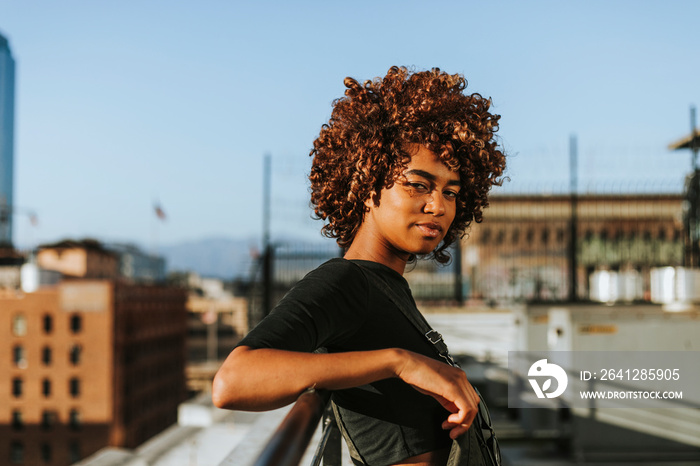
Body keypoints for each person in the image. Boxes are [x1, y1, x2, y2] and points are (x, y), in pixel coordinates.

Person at [212, 66, 506, 466]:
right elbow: (233, 381)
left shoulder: (387, 286)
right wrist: (398, 362)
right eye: (418, 185)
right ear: (367, 185)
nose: (438, 206)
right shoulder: (347, 281)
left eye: (450, 192)